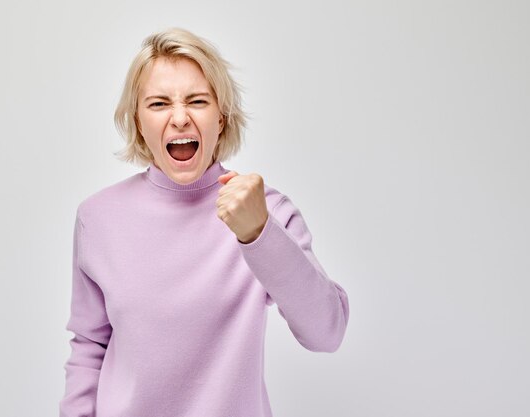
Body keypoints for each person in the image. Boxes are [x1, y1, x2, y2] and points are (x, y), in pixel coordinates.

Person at [59, 27, 350, 417]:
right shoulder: (98, 217)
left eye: (197, 101)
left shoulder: (266, 211)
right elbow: (90, 346)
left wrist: (258, 234)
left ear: (223, 118)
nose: (180, 118)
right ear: (138, 122)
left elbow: (326, 332)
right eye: (159, 104)